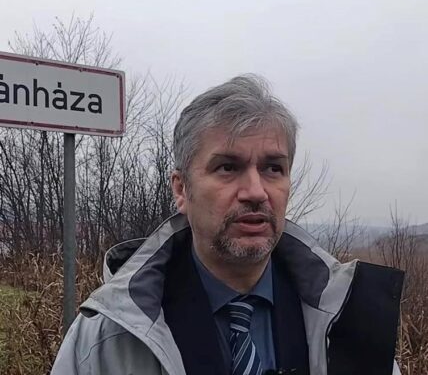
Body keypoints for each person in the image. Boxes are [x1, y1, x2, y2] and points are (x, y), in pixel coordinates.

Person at [51, 75, 403, 375]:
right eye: (228, 167)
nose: (256, 192)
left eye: (273, 168)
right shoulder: (108, 336)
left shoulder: (347, 319)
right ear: (181, 190)